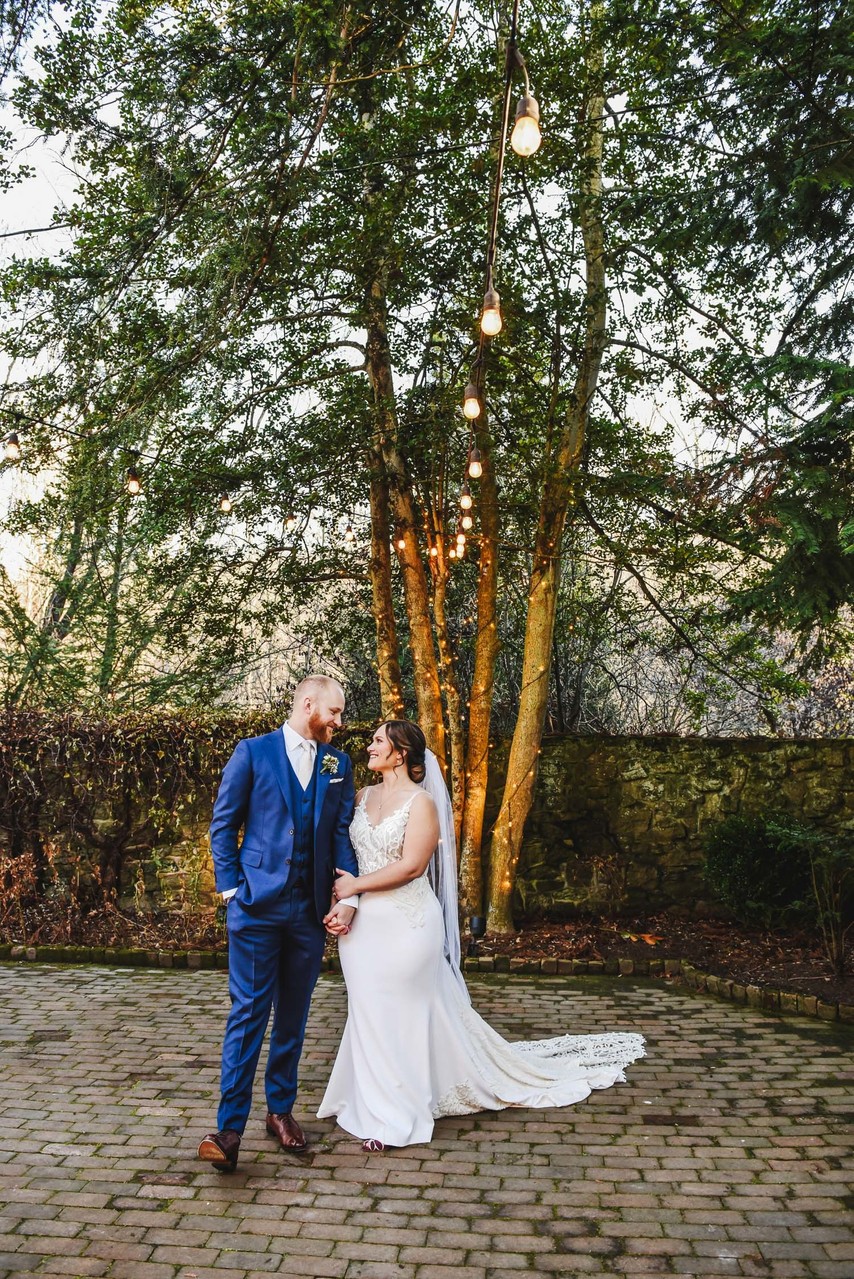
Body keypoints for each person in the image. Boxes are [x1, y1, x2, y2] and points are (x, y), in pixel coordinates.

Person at [317, 720, 645, 1151]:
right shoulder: (362, 796)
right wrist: (344, 901)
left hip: (408, 924)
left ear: (400, 752)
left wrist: (354, 887)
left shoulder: (421, 804)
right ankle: (364, 1099)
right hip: (363, 930)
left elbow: (412, 867)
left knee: (402, 1014)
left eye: (379, 740)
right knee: (369, 1012)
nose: (370, 746)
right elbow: (347, 856)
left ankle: (396, 1117)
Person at [199, 675, 359, 1172]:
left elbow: (340, 833)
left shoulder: (337, 764)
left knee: (293, 1015)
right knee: (248, 1013)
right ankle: (228, 1130)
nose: (338, 722)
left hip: (309, 913)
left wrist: (348, 894)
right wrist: (231, 891)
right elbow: (223, 823)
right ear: (308, 704)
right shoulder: (253, 752)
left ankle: (280, 1111)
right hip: (256, 908)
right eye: (333, 712)